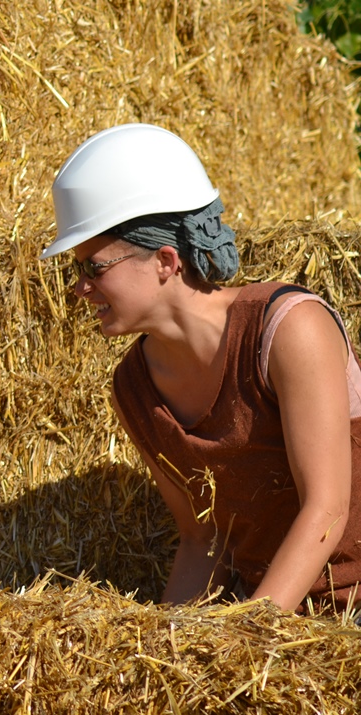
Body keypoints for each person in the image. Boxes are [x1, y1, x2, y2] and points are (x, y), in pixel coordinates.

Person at [41, 123, 361, 613]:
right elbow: (205, 538)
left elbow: (327, 508)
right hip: (279, 624)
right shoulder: (132, 389)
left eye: (95, 267)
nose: (80, 288)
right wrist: (168, 646)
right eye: (76, 269)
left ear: (166, 260)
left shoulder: (288, 329)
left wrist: (249, 637)